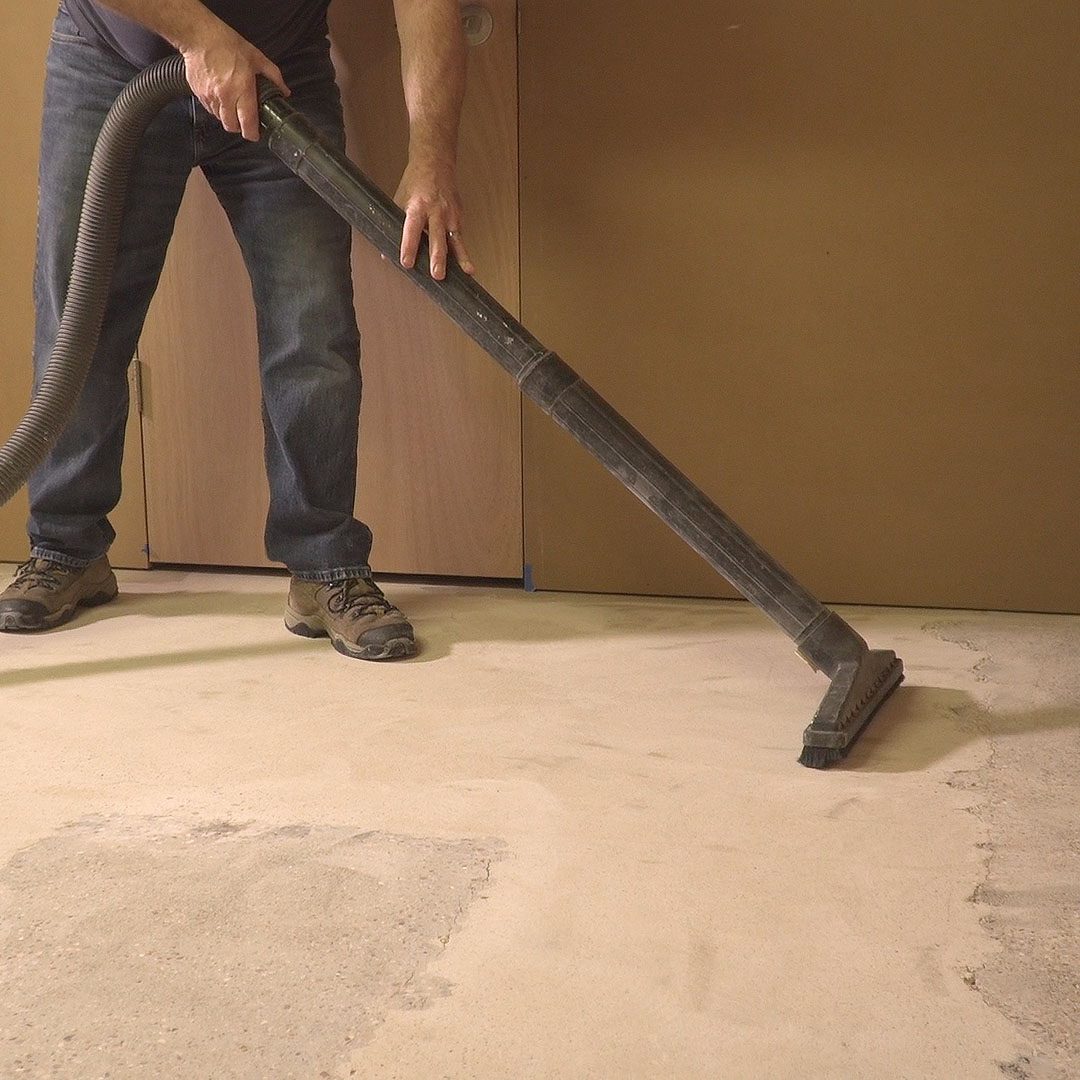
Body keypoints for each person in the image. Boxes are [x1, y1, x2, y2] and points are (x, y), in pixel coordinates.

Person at [0, 0, 475, 660]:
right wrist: (201, 37)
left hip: (280, 72)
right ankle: (65, 548)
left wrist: (433, 157)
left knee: (312, 326)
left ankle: (325, 566)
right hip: (109, 63)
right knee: (80, 320)